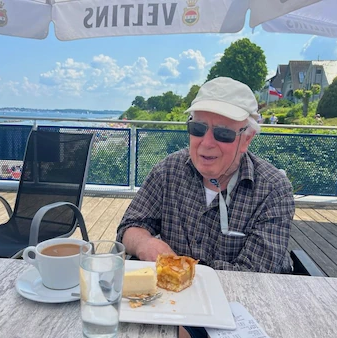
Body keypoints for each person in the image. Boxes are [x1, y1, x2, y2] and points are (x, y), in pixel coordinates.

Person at [116, 77, 295, 337]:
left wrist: (188, 324)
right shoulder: (168, 170)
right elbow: (129, 226)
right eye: (198, 129)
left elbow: (254, 279)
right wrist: (146, 245)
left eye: (222, 133)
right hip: (169, 308)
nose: (206, 143)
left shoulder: (272, 189)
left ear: (247, 139)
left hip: (236, 316)